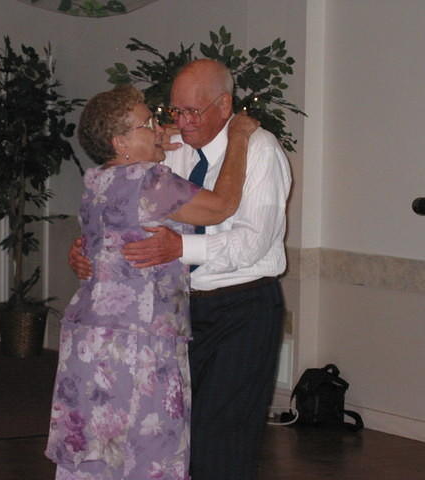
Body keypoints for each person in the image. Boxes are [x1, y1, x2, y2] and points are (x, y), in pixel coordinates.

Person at [69, 59, 292, 480]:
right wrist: (86, 249)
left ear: (224, 104)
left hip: (241, 307)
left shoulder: (259, 149)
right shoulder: (167, 150)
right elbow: (128, 215)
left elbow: (252, 241)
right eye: (174, 111)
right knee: (176, 437)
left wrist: (179, 247)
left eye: (193, 111)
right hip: (179, 313)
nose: (182, 122)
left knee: (221, 439)